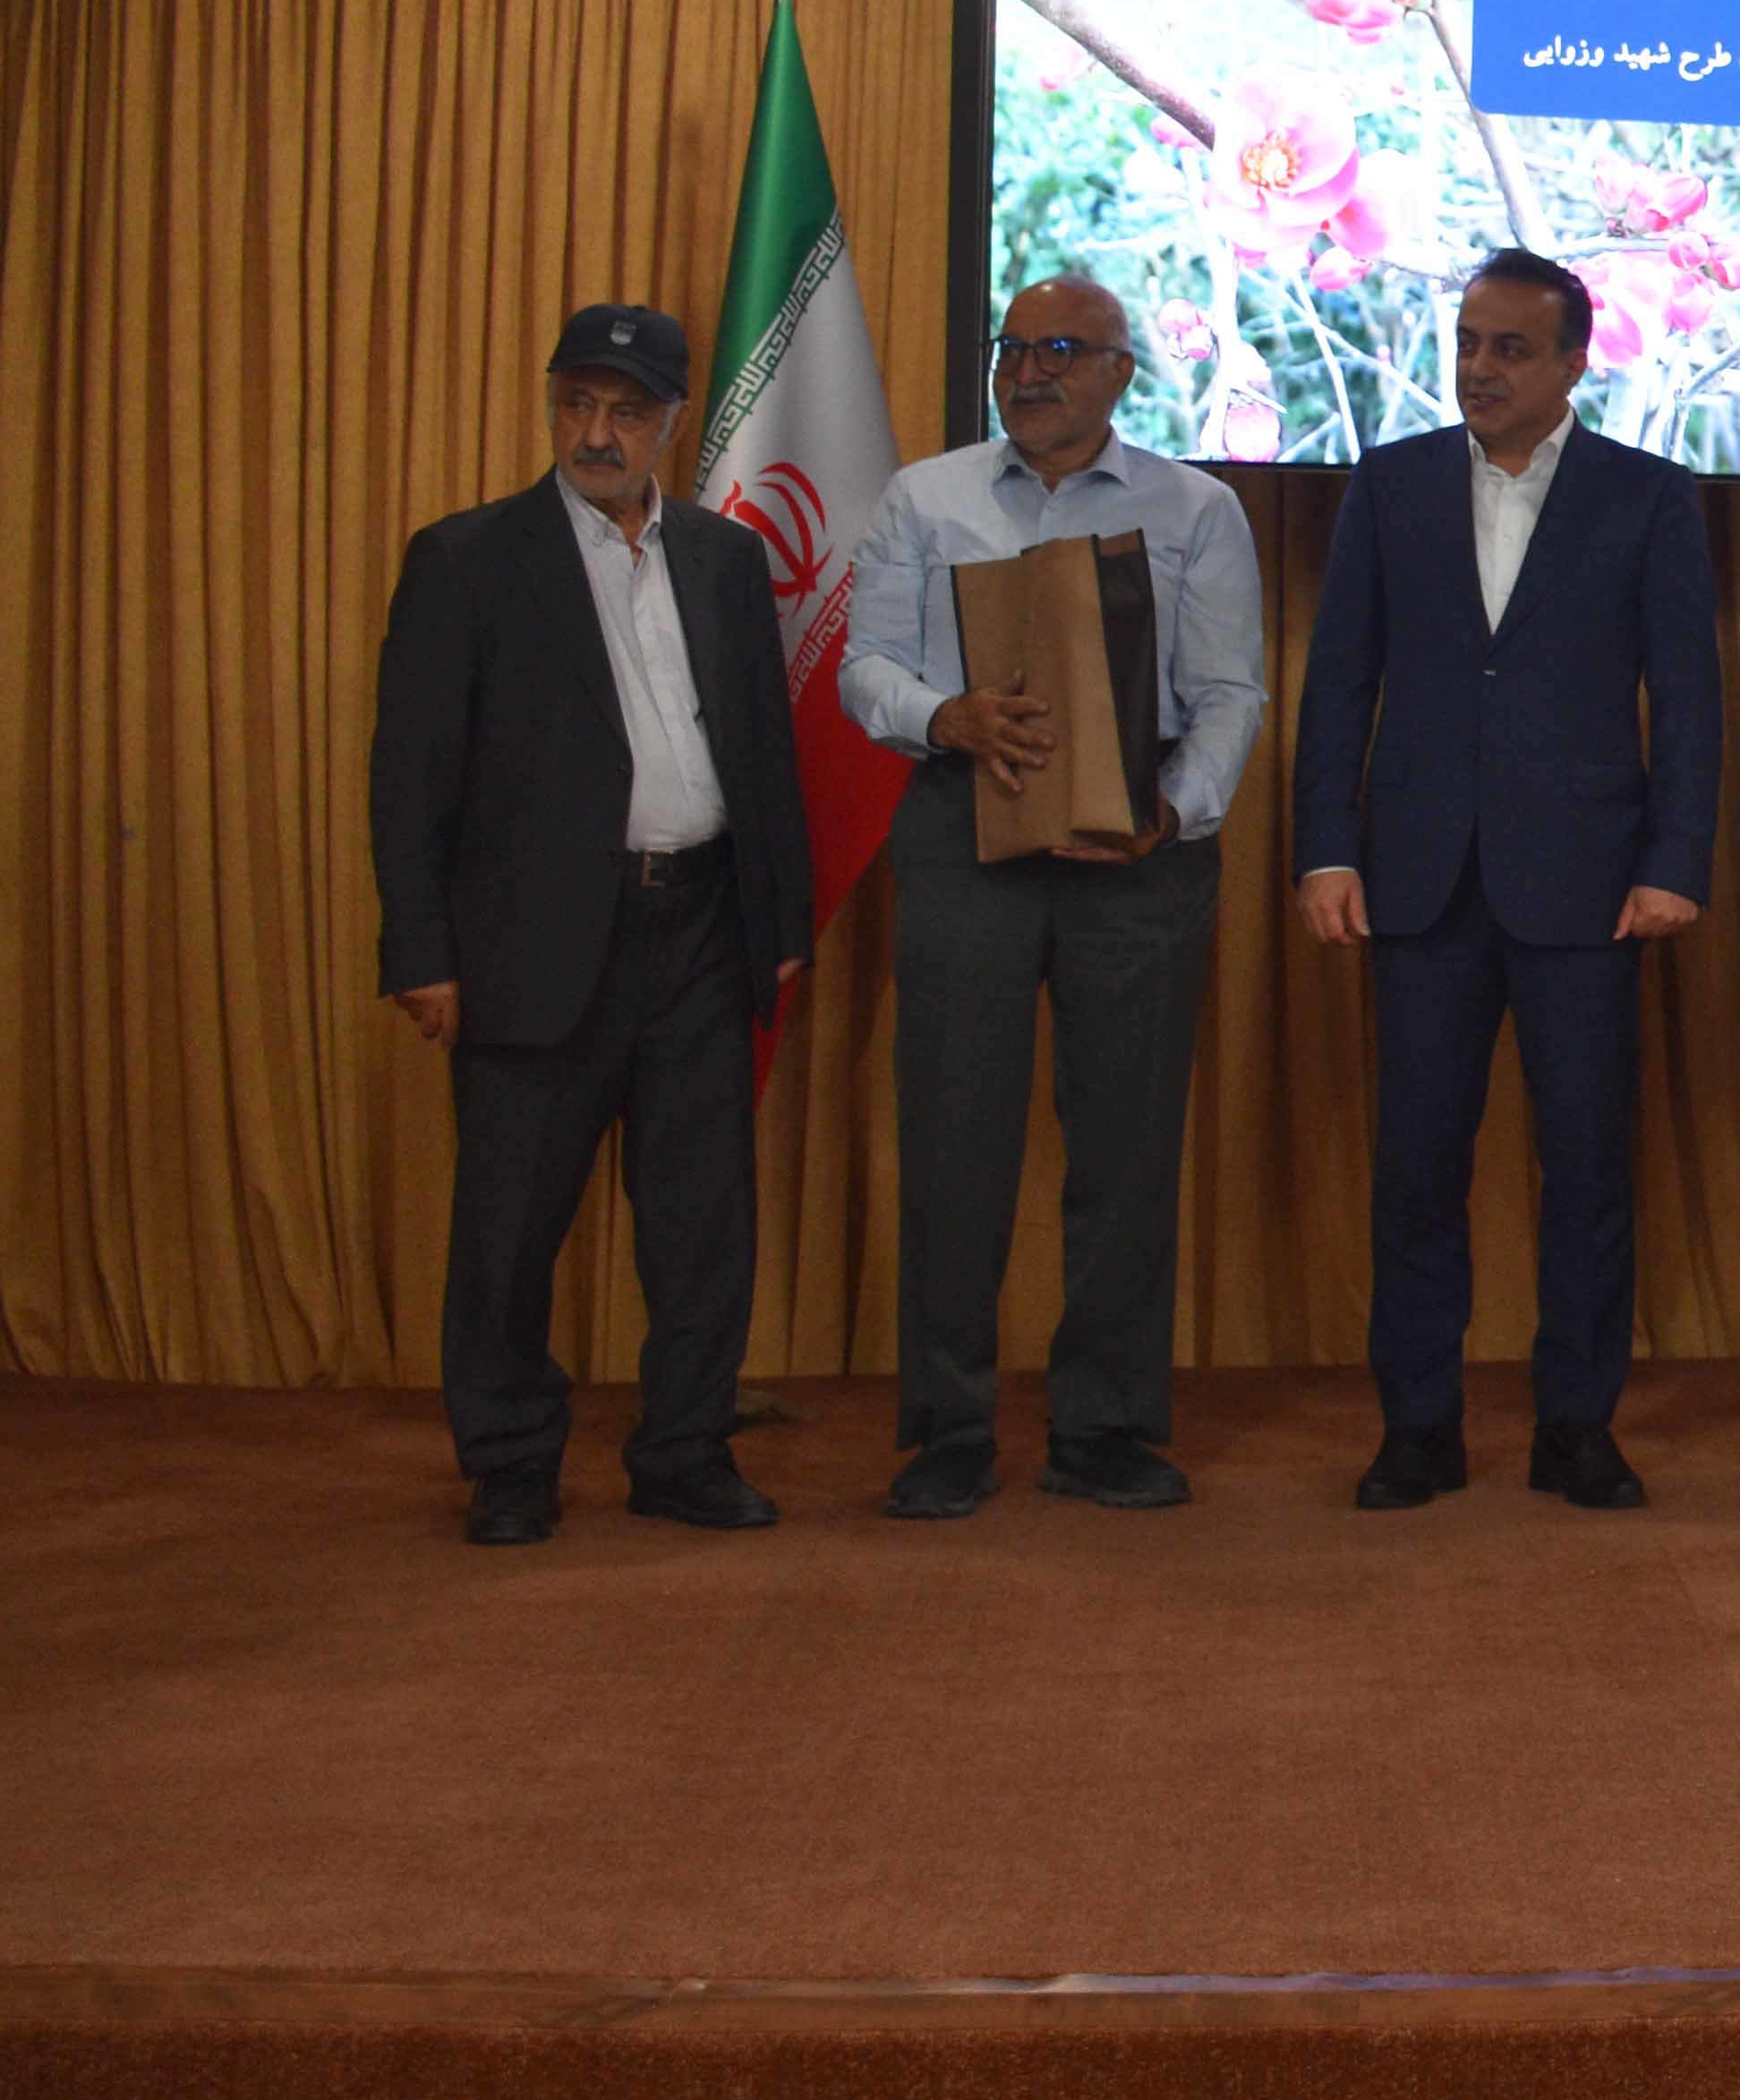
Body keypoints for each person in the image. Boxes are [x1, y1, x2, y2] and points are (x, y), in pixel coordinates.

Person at [367, 304, 817, 1545]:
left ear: (672, 422)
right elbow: (409, 775)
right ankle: (512, 1462)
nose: (596, 433)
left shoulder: (725, 560)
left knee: (702, 1224)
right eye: (577, 404)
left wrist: (779, 918)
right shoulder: (467, 558)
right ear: (553, 408)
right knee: (510, 1228)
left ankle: (684, 1452)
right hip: (535, 940)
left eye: (624, 411)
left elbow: (763, 752)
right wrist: (421, 951)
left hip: (703, 928)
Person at [1292, 251, 1722, 1512]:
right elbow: (1339, 682)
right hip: (1419, 882)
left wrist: (1674, 863)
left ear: (1575, 363)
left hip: (1588, 887)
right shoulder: (1394, 483)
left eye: (1511, 349)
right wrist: (1327, 846)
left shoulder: (1647, 496)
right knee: (1417, 1168)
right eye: (1469, 343)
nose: (1479, 368)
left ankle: (1576, 1427)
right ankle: (1417, 1428)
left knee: (1588, 1171)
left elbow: (1688, 700)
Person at [835, 275, 1267, 1519]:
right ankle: (949, 1433)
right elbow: (866, 666)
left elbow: (1230, 692)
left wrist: (1171, 813)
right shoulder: (927, 496)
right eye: (1012, 349)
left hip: (1139, 849)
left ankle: (1104, 1428)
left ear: (1122, 372)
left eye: (1061, 351)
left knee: (1127, 1148)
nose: (1028, 373)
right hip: (964, 831)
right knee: (953, 1138)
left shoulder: (1198, 507)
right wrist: (947, 717)